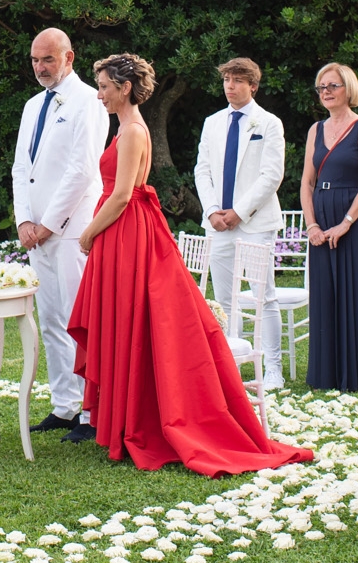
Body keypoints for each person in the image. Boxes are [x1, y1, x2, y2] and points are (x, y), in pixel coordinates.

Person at [67, 54, 313, 474]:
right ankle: (124, 417)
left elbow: (123, 194)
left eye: (105, 86)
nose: (100, 93)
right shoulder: (128, 128)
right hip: (127, 229)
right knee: (129, 321)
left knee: (133, 322)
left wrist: (89, 232)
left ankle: (136, 420)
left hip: (127, 230)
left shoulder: (131, 131)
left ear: (125, 88)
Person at [10, 27, 111, 440]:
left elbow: (83, 169)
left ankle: (91, 413)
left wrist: (49, 224)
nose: (40, 67)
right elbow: (21, 168)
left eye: (48, 59)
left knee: (78, 321)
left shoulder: (90, 101)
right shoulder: (33, 105)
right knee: (50, 319)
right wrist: (23, 222)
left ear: (69, 58)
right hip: (36, 230)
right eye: (35, 60)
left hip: (70, 229)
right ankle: (65, 405)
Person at [193, 57, 286, 390]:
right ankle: (230, 366)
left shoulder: (269, 123)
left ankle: (272, 368)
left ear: (253, 86)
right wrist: (214, 211)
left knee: (264, 296)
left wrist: (239, 212)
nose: (230, 86)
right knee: (225, 299)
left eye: (237, 80)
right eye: (226, 80)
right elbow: (202, 170)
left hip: (255, 223)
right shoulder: (212, 122)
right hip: (218, 223)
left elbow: (271, 175)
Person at [299, 62, 358, 392]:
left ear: (349, 89)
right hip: (320, 217)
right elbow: (306, 182)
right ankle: (326, 374)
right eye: (321, 87)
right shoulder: (315, 130)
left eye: (333, 86)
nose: (326, 92)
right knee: (325, 293)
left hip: (353, 217)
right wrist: (312, 226)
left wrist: (345, 223)